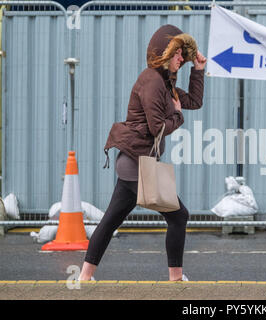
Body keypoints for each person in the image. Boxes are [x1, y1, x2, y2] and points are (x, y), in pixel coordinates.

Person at [78, 24, 207, 281]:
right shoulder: (151, 81)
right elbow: (157, 127)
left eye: (183, 54)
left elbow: (194, 101)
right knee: (179, 216)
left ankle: (84, 277)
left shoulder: (164, 83)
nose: (181, 59)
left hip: (135, 162)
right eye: (178, 54)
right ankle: (175, 278)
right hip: (137, 164)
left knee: (111, 221)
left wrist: (198, 69)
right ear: (164, 52)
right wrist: (178, 116)